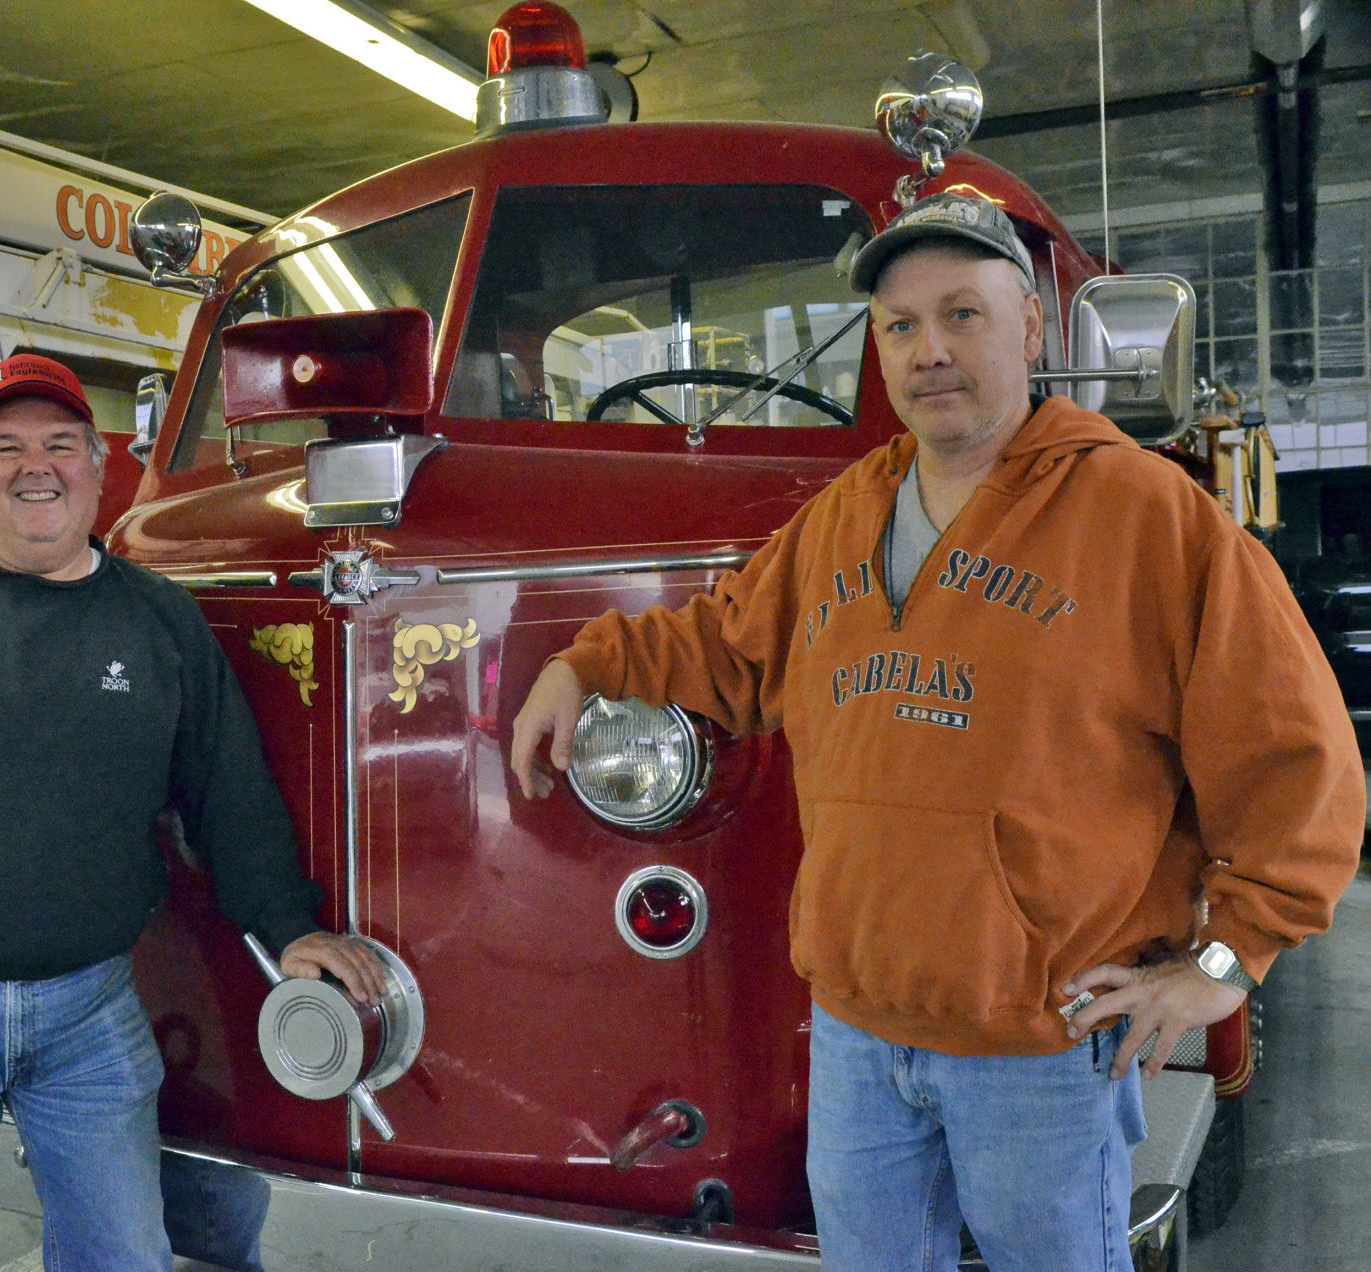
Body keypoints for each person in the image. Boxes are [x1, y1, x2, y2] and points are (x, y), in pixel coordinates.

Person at [510, 193, 1364, 1271]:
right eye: (899, 327)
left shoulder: (1149, 518)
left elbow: (1293, 752)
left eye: (961, 314)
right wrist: (583, 663)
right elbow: (725, 647)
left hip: (1041, 1047)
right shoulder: (843, 514)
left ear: (1030, 328)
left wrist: (1225, 962)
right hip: (860, 1034)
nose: (928, 353)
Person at [0, 353, 385, 1272]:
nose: (34, 465)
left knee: (125, 1256)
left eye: (59, 443)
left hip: (87, 1014)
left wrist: (288, 926)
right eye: (4, 446)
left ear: (99, 465)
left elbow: (227, 788)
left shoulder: (159, 621)